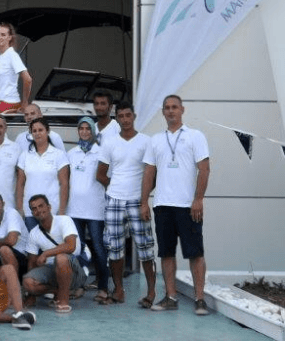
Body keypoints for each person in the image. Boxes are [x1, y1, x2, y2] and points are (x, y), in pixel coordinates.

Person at [141, 95, 210, 315]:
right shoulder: (155, 140)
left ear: (182, 110)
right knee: (166, 253)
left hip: (188, 206)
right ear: (163, 112)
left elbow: (204, 169)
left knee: (195, 253)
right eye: (167, 108)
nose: (171, 111)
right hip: (162, 205)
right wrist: (144, 202)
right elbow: (149, 172)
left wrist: (198, 199)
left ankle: (200, 299)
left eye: (174, 107)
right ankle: (171, 297)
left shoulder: (195, 136)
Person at [96, 102, 157, 307]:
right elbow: (100, 174)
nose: (125, 119)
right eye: (120, 116)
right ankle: (119, 290)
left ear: (134, 116)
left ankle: (151, 292)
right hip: (114, 200)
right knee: (114, 249)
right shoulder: (110, 142)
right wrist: (115, 188)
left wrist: (144, 199)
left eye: (128, 115)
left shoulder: (146, 141)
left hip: (138, 202)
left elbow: (153, 174)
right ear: (117, 118)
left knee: (145, 248)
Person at [22, 194, 89, 314]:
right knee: (28, 282)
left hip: (74, 270)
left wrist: (46, 253)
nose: (38, 210)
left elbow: (70, 246)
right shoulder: (34, 233)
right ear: (32, 213)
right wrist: (31, 294)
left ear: (49, 207)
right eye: (34, 208)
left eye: (41, 206)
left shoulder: (64, 220)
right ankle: (58, 291)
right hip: (52, 270)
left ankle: (63, 301)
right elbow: (32, 263)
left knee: (61, 258)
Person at [67, 117, 108, 302]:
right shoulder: (71, 153)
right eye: (81, 128)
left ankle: (103, 287)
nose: (84, 132)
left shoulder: (101, 153)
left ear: (93, 131)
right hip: (74, 209)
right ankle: (79, 286)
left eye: (88, 129)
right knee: (77, 249)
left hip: (95, 210)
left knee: (98, 248)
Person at [16, 117, 70, 230]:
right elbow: (20, 184)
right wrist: (20, 209)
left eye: (40, 130)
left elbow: (64, 184)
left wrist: (61, 211)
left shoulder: (58, 155)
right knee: (32, 240)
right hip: (30, 211)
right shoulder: (24, 155)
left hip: (52, 210)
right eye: (34, 131)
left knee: (52, 240)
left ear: (47, 131)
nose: (37, 133)